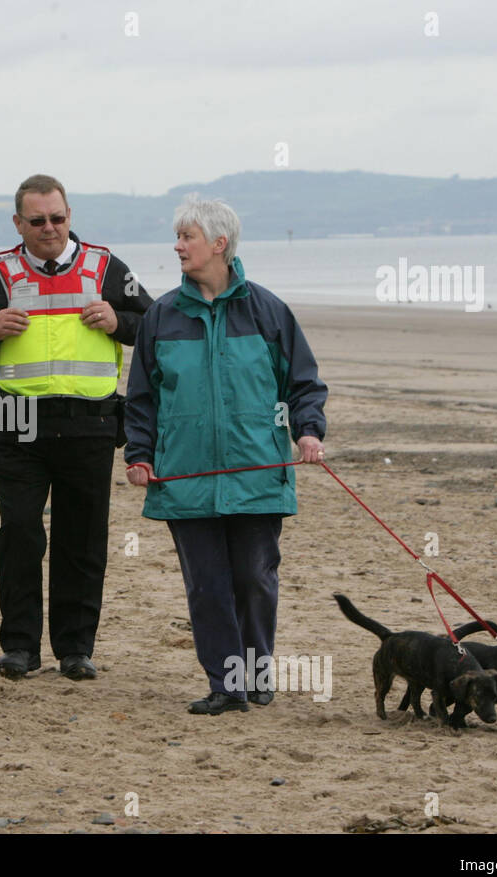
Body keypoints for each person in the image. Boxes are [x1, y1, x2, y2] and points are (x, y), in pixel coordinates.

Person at [124, 196, 327, 715]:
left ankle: (257, 675)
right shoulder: (162, 317)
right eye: (178, 236)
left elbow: (303, 384)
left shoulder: (269, 312)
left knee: (256, 581)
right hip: (185, 480)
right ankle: (226, 685)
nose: (177, 246)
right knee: (207, 587)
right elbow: (143, 397)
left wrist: (308, 433)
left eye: (187, 236)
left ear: (219, 244)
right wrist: (140, 454)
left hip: (257, 476)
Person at [0, 174, 153, 681]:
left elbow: (153, 323)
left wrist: (118, 320)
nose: (49, 228)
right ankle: (19, 648)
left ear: (70, 216)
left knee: (82, 540)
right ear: (19, 222)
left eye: (58, 218)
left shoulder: (106, 267)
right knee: (20, 533)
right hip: (19, 425)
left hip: (90, 424)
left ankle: (75, 649)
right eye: (38, 220)